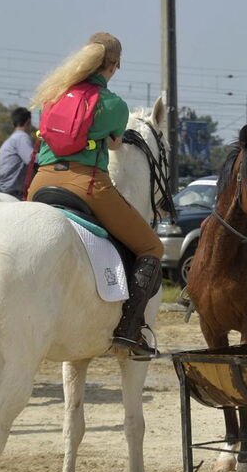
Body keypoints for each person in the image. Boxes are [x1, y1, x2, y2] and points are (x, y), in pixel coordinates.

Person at [27, 32, 164, 359]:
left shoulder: (52, 94)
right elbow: (115, 145)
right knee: (151, 247)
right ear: (114, 65)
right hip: (86, 184)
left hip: (40, 182)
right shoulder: (113, 105)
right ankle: (130, 331)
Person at [0, 107, 34, 199]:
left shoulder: (12, 139)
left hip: (4, 189)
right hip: (12, 192)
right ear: (28, 122)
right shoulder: (22, 137)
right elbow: (31, 159)